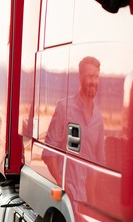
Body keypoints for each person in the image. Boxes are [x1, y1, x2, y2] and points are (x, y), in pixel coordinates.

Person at [42, 56, 105, 200]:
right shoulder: (64, 108)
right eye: (90, 76)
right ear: (80, 77)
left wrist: (94, 198)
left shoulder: (98, 118)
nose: (93, 81)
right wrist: (62, 183)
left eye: (96, 77)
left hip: (87, 201)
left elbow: (99, 162)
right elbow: (48, 153)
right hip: (67, 197)